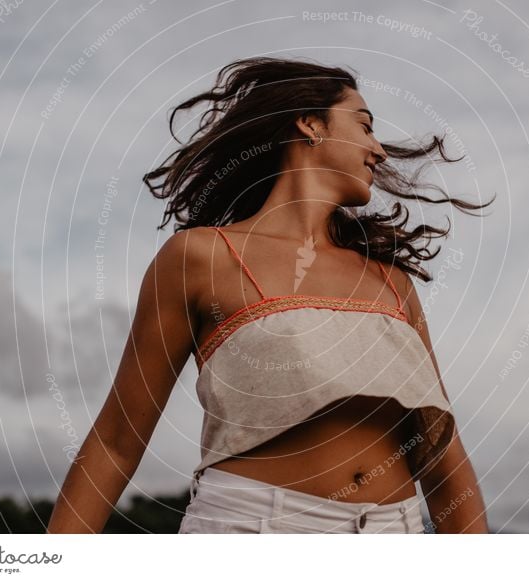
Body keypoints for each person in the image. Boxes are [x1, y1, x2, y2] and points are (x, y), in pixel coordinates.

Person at [47, 56, 493, 534]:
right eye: (364, 127)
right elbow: (116, 441)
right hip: (251, 526)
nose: (378, 151)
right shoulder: (199, 257)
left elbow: (443, 454)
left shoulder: (391, 281)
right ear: (309, 123)